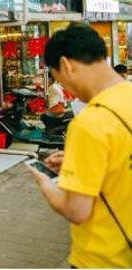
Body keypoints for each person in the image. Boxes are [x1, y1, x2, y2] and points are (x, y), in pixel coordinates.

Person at [28, 24, 132, 268]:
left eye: (59, 79)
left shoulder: (89, 122)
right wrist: (77, 160)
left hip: (103, 260)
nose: (66, 88)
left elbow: (76, 211)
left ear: (66, 65)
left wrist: (44, 183)